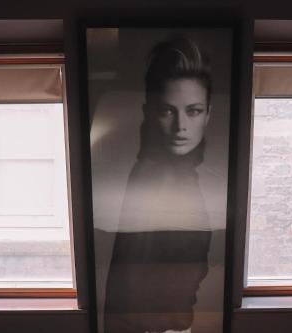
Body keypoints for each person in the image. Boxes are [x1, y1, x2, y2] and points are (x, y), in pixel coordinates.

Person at [104, 37, 213, 333]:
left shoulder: (181, 174)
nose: (181, 126)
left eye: (193, 111)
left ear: (208, 114)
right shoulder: (157, 176)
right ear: (149, 113)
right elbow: (135, 281)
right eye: (168, 110)